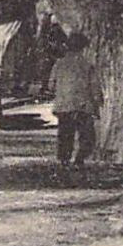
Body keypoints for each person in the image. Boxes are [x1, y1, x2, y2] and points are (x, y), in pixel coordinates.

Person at [48, 29, 97, 167]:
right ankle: (80, 159)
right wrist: (97, 102)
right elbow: (95, 87)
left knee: (65, 133)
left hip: (64, 106)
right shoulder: (87, 65)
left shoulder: (59, 64)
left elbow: (51, 85)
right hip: (83, 106)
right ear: (82, 48)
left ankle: (64, 160)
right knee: (87, 135)